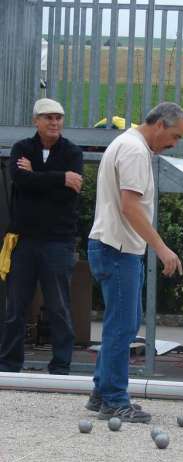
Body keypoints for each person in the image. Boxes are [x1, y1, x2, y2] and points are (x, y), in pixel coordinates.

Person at [87, 101, 183, 423]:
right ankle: (115, 400)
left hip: (115, 247)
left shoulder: (128, 145)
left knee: (124, 324)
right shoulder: (134, 150)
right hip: (118, 249)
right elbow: (130, 206)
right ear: (159, 125)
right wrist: (161, 248)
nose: (174, 144)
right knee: (122, 327)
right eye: (174, 136)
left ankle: (102, 392)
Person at [0, 98, 83, 375]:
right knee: (16, 307)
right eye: (48, 117)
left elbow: (69, 194)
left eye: (58, 117)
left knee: (59, 306)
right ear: (36, 120)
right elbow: (19, 180)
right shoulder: (22, 148)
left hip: (58, 241)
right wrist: (60, 178)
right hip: (23, 241)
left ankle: (61, 366)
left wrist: (37, 175)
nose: (54, 122)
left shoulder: (72, 152)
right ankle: (10, 364)